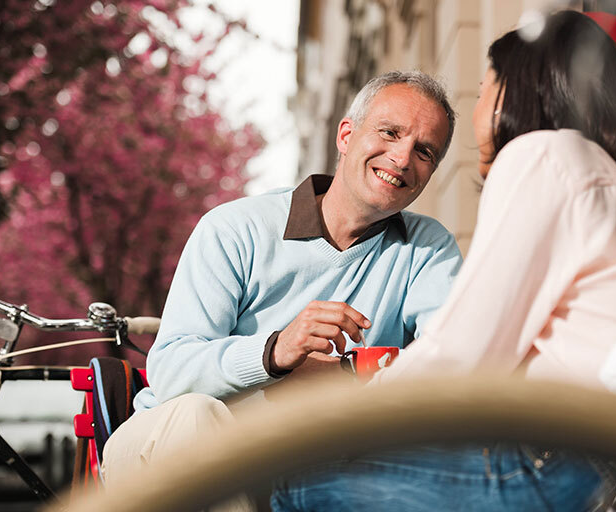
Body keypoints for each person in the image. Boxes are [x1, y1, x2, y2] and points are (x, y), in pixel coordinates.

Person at [271, 10, 616, 512]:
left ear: (515, 91)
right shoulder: (604, 182)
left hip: (569, 464)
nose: (480, 104)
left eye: (485, 87)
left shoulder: (542, 156)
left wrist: (359, 397)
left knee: (295, 478)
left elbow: (463, 354)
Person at [100, 71, 463, 486]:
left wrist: (347, 376)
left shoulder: (428, 248)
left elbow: (453, 362)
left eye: (424, 152)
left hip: (302, 464)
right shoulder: (234, 228)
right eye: (389, 132)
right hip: (163, 451)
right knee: (196, 416)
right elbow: (171, 373)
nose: (401, 159)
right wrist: (276, 354)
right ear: (346, 136)